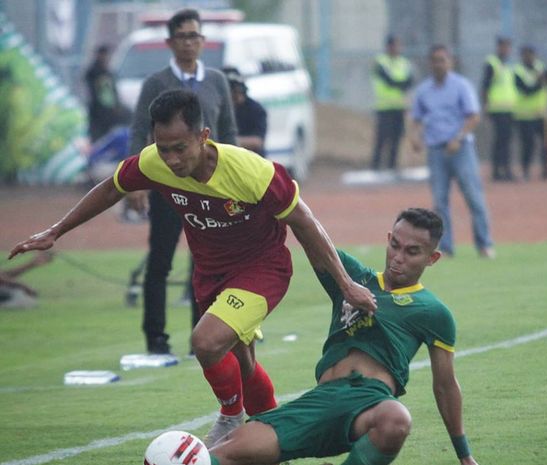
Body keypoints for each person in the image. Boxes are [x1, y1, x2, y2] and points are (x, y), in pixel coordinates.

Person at [8, 89, 376, 446]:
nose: (170, 159)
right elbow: (110, 189)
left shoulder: (251, 171)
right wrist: (56, 231)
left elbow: (305, 221)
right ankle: (276, 443)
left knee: (205, 341)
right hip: (210, 273)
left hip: (261, 268)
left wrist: (344, 285)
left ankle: (230, 415)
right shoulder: (154, 161)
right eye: (163, 148)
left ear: (203, 136)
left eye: (180, 148)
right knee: (242, 363)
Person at [207, 208, 479, 465]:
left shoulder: (433, 311)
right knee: (220, 454)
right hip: (318, 402)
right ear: (388, 239)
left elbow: (445, 385)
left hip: (368, 402)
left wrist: (463, 454)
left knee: (396, 419)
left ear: (432, 258)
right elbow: (310, 234)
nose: (398, 257)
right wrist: (278, 196)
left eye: (412, 252)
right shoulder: (352, 277)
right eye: (395, 245)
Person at [127, 8, 238, 356]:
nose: (190, 43)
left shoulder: (217, 81)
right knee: (160, 260)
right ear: (170, 42)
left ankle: (200, 337)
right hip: (167, 187)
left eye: (195, 36)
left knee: (207, 263)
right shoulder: (156, 84)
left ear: (203, 41)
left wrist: (234, 181)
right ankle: (155, 340)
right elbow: (138, 133)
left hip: (210, 188)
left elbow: (229, 133)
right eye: (183, 36)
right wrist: (135, 183)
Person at [410, 44, 495, 259]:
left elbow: (473, 116)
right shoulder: (424, 91)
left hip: (461, 149)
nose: (438, 64)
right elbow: (417, 118)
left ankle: (484, 244)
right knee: (439, 202)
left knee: (473, 196)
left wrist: (458, 137)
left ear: (450, 62)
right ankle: (446, 248)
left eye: (442, 60)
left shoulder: (461, 86)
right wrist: (416, 136)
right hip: (436, 151)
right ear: (430, 63)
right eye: (435, 60)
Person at [370, 35, 414, 171]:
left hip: (399, 107)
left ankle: (391, 167)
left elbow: (410, 81)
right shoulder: (380, 62)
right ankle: (375, 167)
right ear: (388, 47)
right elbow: (388, 80)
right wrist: (400, 84)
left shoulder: (404, 63)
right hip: (384, 107)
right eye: (395, 45)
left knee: (396, 138)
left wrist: (399, 84)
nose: (397, 49)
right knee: (382, 139)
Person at [480, 36, 517, 182]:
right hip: (497, 109)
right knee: (500, 141)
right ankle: (497, 171)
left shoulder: (507, 65)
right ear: (498, 47)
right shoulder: (492, 63)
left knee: (507, 141)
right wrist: (486, 107)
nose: (506, 49)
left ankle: (506, 169)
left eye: (508, 47)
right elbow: (484, 87)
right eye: (503, 46)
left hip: (509, 109)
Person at [514, 44, 547, 180]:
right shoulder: (518, 71)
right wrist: (540, 82)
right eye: (526, 54)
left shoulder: (540, 67)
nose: (529, 57)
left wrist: (545, 79)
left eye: (531, 54)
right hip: (525, 115)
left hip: (541, 114)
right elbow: (526, 90)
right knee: (528, 145)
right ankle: (525, 170)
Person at [84, 44, 128, 142]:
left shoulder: (108, 72)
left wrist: (116, 105)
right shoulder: (93, 72)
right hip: (98, 112)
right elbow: (95, 93)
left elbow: (113, 92)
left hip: (110, 111)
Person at [222, 67, 267, 156]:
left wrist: (227, 141)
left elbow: (257, 142)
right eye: (233, 92)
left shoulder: (255, 109)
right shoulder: (218, 109)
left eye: (240, 91)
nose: (238, 97)